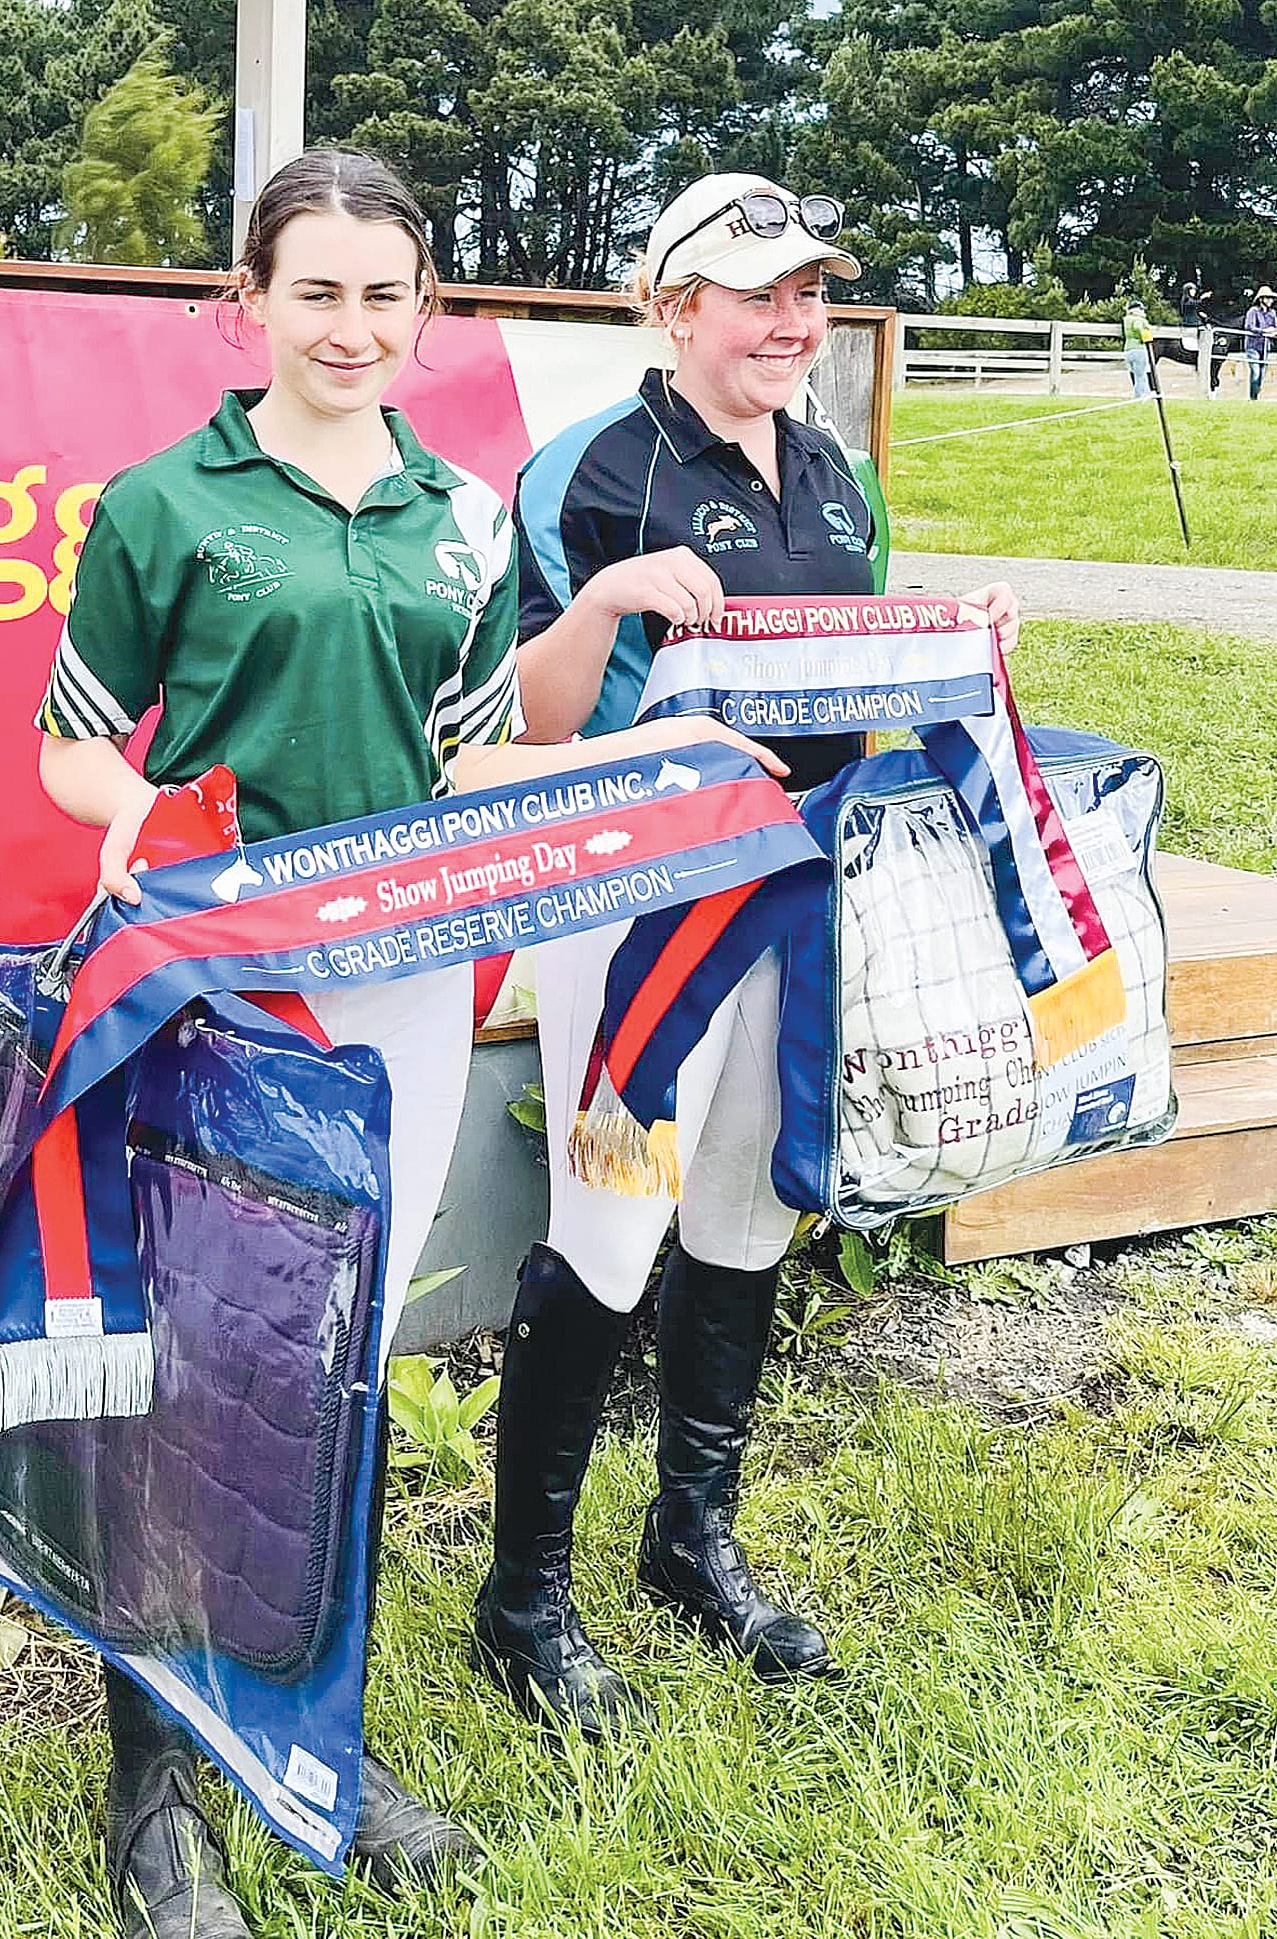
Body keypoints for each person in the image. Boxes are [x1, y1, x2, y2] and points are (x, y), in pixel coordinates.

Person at [36, 146, 781, 1939]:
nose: (352, 326)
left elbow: (465, 769)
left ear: (420, 307)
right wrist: (126, 805)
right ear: (252, 302)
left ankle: (314, 1723)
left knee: (345, 1358)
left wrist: (658, 779)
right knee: (203, 1367)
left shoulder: (459, 518)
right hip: (227, 990)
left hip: (406, 998)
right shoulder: (161, 505)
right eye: (317, 291)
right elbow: (68, 739)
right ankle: (154, 1782)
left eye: (385, 294)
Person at [471, 173, 1020, 1740]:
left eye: (813, 293)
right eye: (760, 291)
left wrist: (953, 627)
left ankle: (688, 1540)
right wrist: (604, 597)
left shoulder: (838, 470)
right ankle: (526, 1596)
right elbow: (524, 715)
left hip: (802, 889)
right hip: (639, 914)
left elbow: (849, 661)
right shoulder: (588, 468)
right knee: (609, 1227)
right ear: (674, 304)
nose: (796, 320)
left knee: (745, 1207)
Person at [1243, 285, 1276, 400]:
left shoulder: (1272, 313)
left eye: (1271, 298)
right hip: (1253, 346)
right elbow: (1249, 326)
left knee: (1261, 375)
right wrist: (1264, 331)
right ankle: (1252, 398)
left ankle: (1255, 397)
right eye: (1268, 298)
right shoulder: (1253, 311)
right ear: (1261, 299)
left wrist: (1273, 332)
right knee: (1255, 372)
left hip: (1266, 347)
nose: (1270, 301)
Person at [1123, 299, 1155, 400]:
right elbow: (1138, 328)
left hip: (1128, 349)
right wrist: (1145, 338)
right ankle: (1144, 395)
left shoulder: (1126, 320)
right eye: (1142, 309)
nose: (1143, 311)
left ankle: (1137, 395)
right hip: (1139, 348)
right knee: (1141, 375)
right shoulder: (1139, 319)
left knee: (1135, 374)